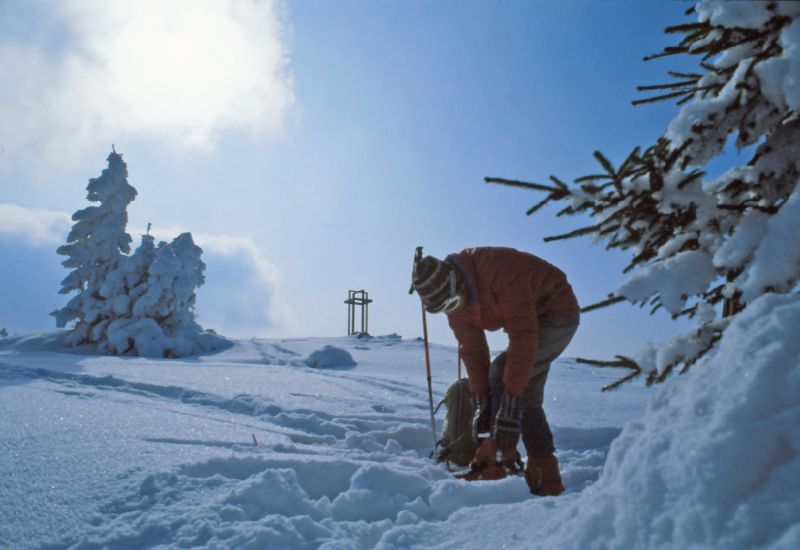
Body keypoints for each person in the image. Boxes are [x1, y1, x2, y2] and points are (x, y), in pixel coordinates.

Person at [412, 246, 579, 496]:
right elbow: (473, 351)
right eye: (444, 308)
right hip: (530, 321)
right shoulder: (454, 306)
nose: (453, 310)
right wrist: (483, 403)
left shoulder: (497, 269)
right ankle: (543, 470)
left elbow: (523, 335)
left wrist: (508, 404)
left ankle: (499, 458)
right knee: (523, 392)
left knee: (505, 374)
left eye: (453, 302)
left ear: (457, 281)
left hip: (556, 311)